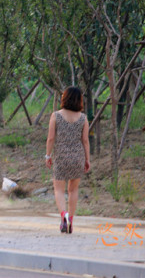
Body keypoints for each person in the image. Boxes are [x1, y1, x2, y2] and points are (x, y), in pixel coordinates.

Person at [45, 86, 90, 234]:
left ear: (65, 97)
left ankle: (63, 215)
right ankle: (71, 220)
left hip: (61, 156)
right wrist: (87, 159)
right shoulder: (83, 118)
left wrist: (48, 155)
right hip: (78, 156)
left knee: (59, 189)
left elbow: (51, 138)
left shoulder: (56, 116)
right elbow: (85, 141)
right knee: (73, 189)